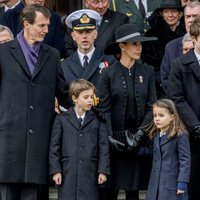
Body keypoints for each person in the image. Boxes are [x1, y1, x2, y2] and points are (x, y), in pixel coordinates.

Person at [0, 4, 68, 200]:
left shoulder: (52, 55)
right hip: (8, 141)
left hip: (39, 142)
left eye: (47, 25)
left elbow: (63, 92)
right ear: (26, 24)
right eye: (41, 26)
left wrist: (87, 103)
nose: (47, 30)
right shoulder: (3, 53)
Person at [98, 23, 157, 200]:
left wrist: (141, 134)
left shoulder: (147, 71)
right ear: (122, 46)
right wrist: (110, 138)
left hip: (138, 141)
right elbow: (103, 109)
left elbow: (151, 105)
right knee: (110, 191)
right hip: (114, 143)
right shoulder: (108, 73)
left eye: (140, 44)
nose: (139, 48)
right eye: (134, 44)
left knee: (134, 191)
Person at [49, 79, 110, 200]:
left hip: (90, 172)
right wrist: (56, 170)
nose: (90, 100)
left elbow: (103, 147)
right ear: (75, 98)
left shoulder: (98, 119)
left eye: (91, 97)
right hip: (68, 172)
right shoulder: (62, 119)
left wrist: (103, 170)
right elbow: (54, 146)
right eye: (86, 97)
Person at [167, 16, 200, 200]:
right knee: (193, 185)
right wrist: (196, 126)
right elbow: (177, 99)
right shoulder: (179, 65)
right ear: (193, 39)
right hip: (192, 134)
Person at [145, 99, 191, 200]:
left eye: (161, 115)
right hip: (155, 185)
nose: (157, 119)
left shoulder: (180, 135)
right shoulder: (156, 135)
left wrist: (182, 182)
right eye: (155, 115)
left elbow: (185, 161)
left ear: (172, 117)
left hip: (172, 185)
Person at [62, 9, 115, 92]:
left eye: (88, 31)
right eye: (80, 32)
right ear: (73, 36)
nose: (84, 36)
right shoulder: (64, 65)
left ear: (95, 34)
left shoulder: (110, 61)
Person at [142, 0, 186, 98]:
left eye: (174, 11)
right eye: (166, 11)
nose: (170, 15)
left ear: (180, 14)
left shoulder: (188, 32)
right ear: (162, 14)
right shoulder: (151, 35)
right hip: (161, 86)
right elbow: (150, 65)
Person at [64, 0, 129, 58]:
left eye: (103, 1)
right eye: (96, 2)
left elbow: (124, 49)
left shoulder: (120, 20)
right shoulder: (75, 21)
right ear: (86, 2)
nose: (101, 6)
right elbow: (68, 49)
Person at [160, 1, 200, 95]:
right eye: (187, 16)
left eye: (194, 16)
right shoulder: (171, 47)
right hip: (180, 104)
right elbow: (166, 80)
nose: (190, 20)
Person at [0, 0, 64, 54]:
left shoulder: (54, 17)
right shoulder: (8, 16)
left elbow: (59, 48)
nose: (46, 30)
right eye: (41, 25)